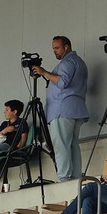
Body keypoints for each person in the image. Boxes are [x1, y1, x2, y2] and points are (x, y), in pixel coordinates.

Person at [29, 36, 89, 182]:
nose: (55, 51)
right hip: (75, 109)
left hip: (62, 109)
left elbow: (62, 82)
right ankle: (75, 176)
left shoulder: (68, 61)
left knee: (61, 144)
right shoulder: (79, 62)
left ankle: (63, 177)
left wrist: (44, 73)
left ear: (66, 47)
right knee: (73, 144)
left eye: (57, 48)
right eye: (53, 49)